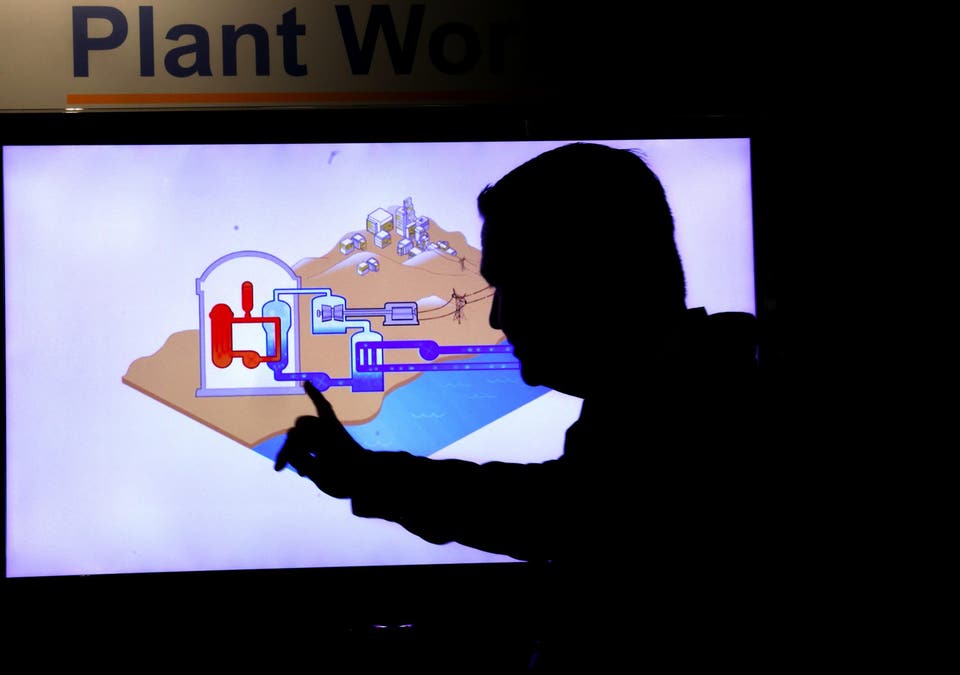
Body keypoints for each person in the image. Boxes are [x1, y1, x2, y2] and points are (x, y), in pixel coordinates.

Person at [276, 143, 782, 665]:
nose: (497, 319)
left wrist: (367, 477)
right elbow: (560, 506)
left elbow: (557, 513)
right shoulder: (687, 397)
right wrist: (367, 476)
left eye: (511, 285)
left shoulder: (697, 427)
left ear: (587, 281)